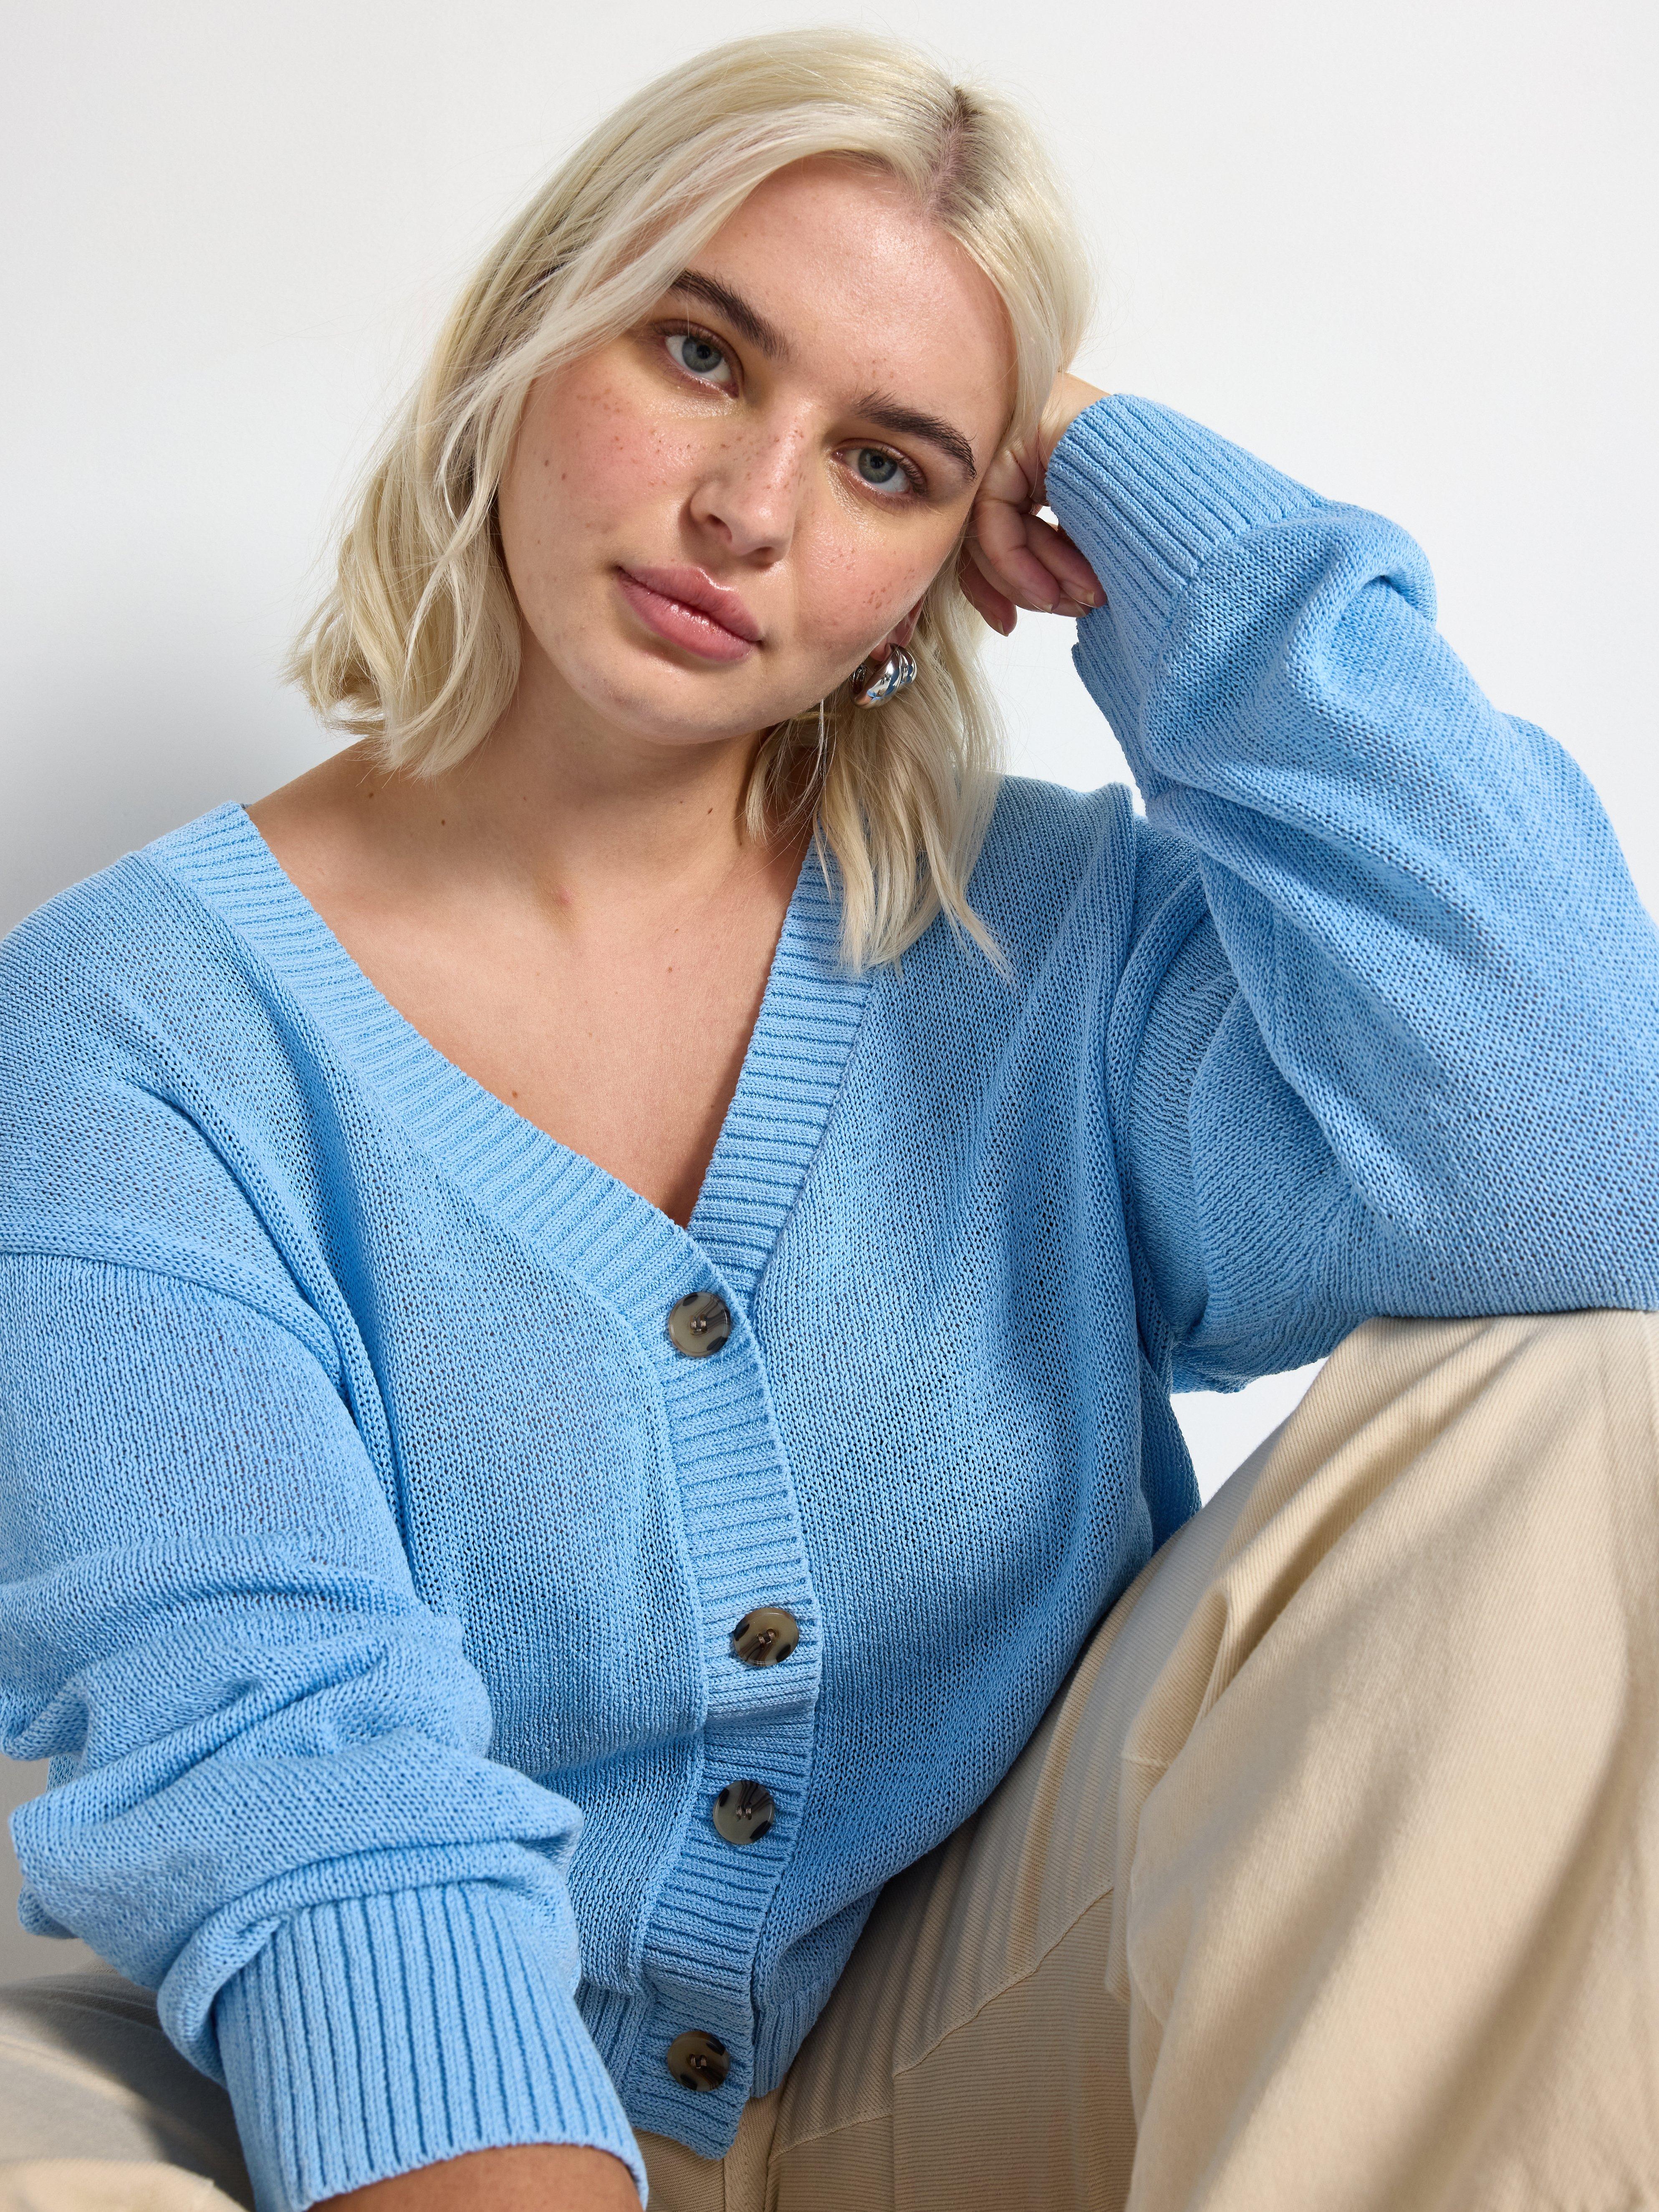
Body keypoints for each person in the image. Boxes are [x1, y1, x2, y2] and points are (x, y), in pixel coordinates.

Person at [2, 26, 1657, 2212]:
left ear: (953, 560)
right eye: (698, 352)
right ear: (524, 340)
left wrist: (1157, 516)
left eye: (887, 463)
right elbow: (291, 1767)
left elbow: (1583, 1162)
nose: (748, 507)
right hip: (333, 2081)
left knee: (1581, 1406)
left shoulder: (1052, 941)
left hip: (958, 2042)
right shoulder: (131, 1016)